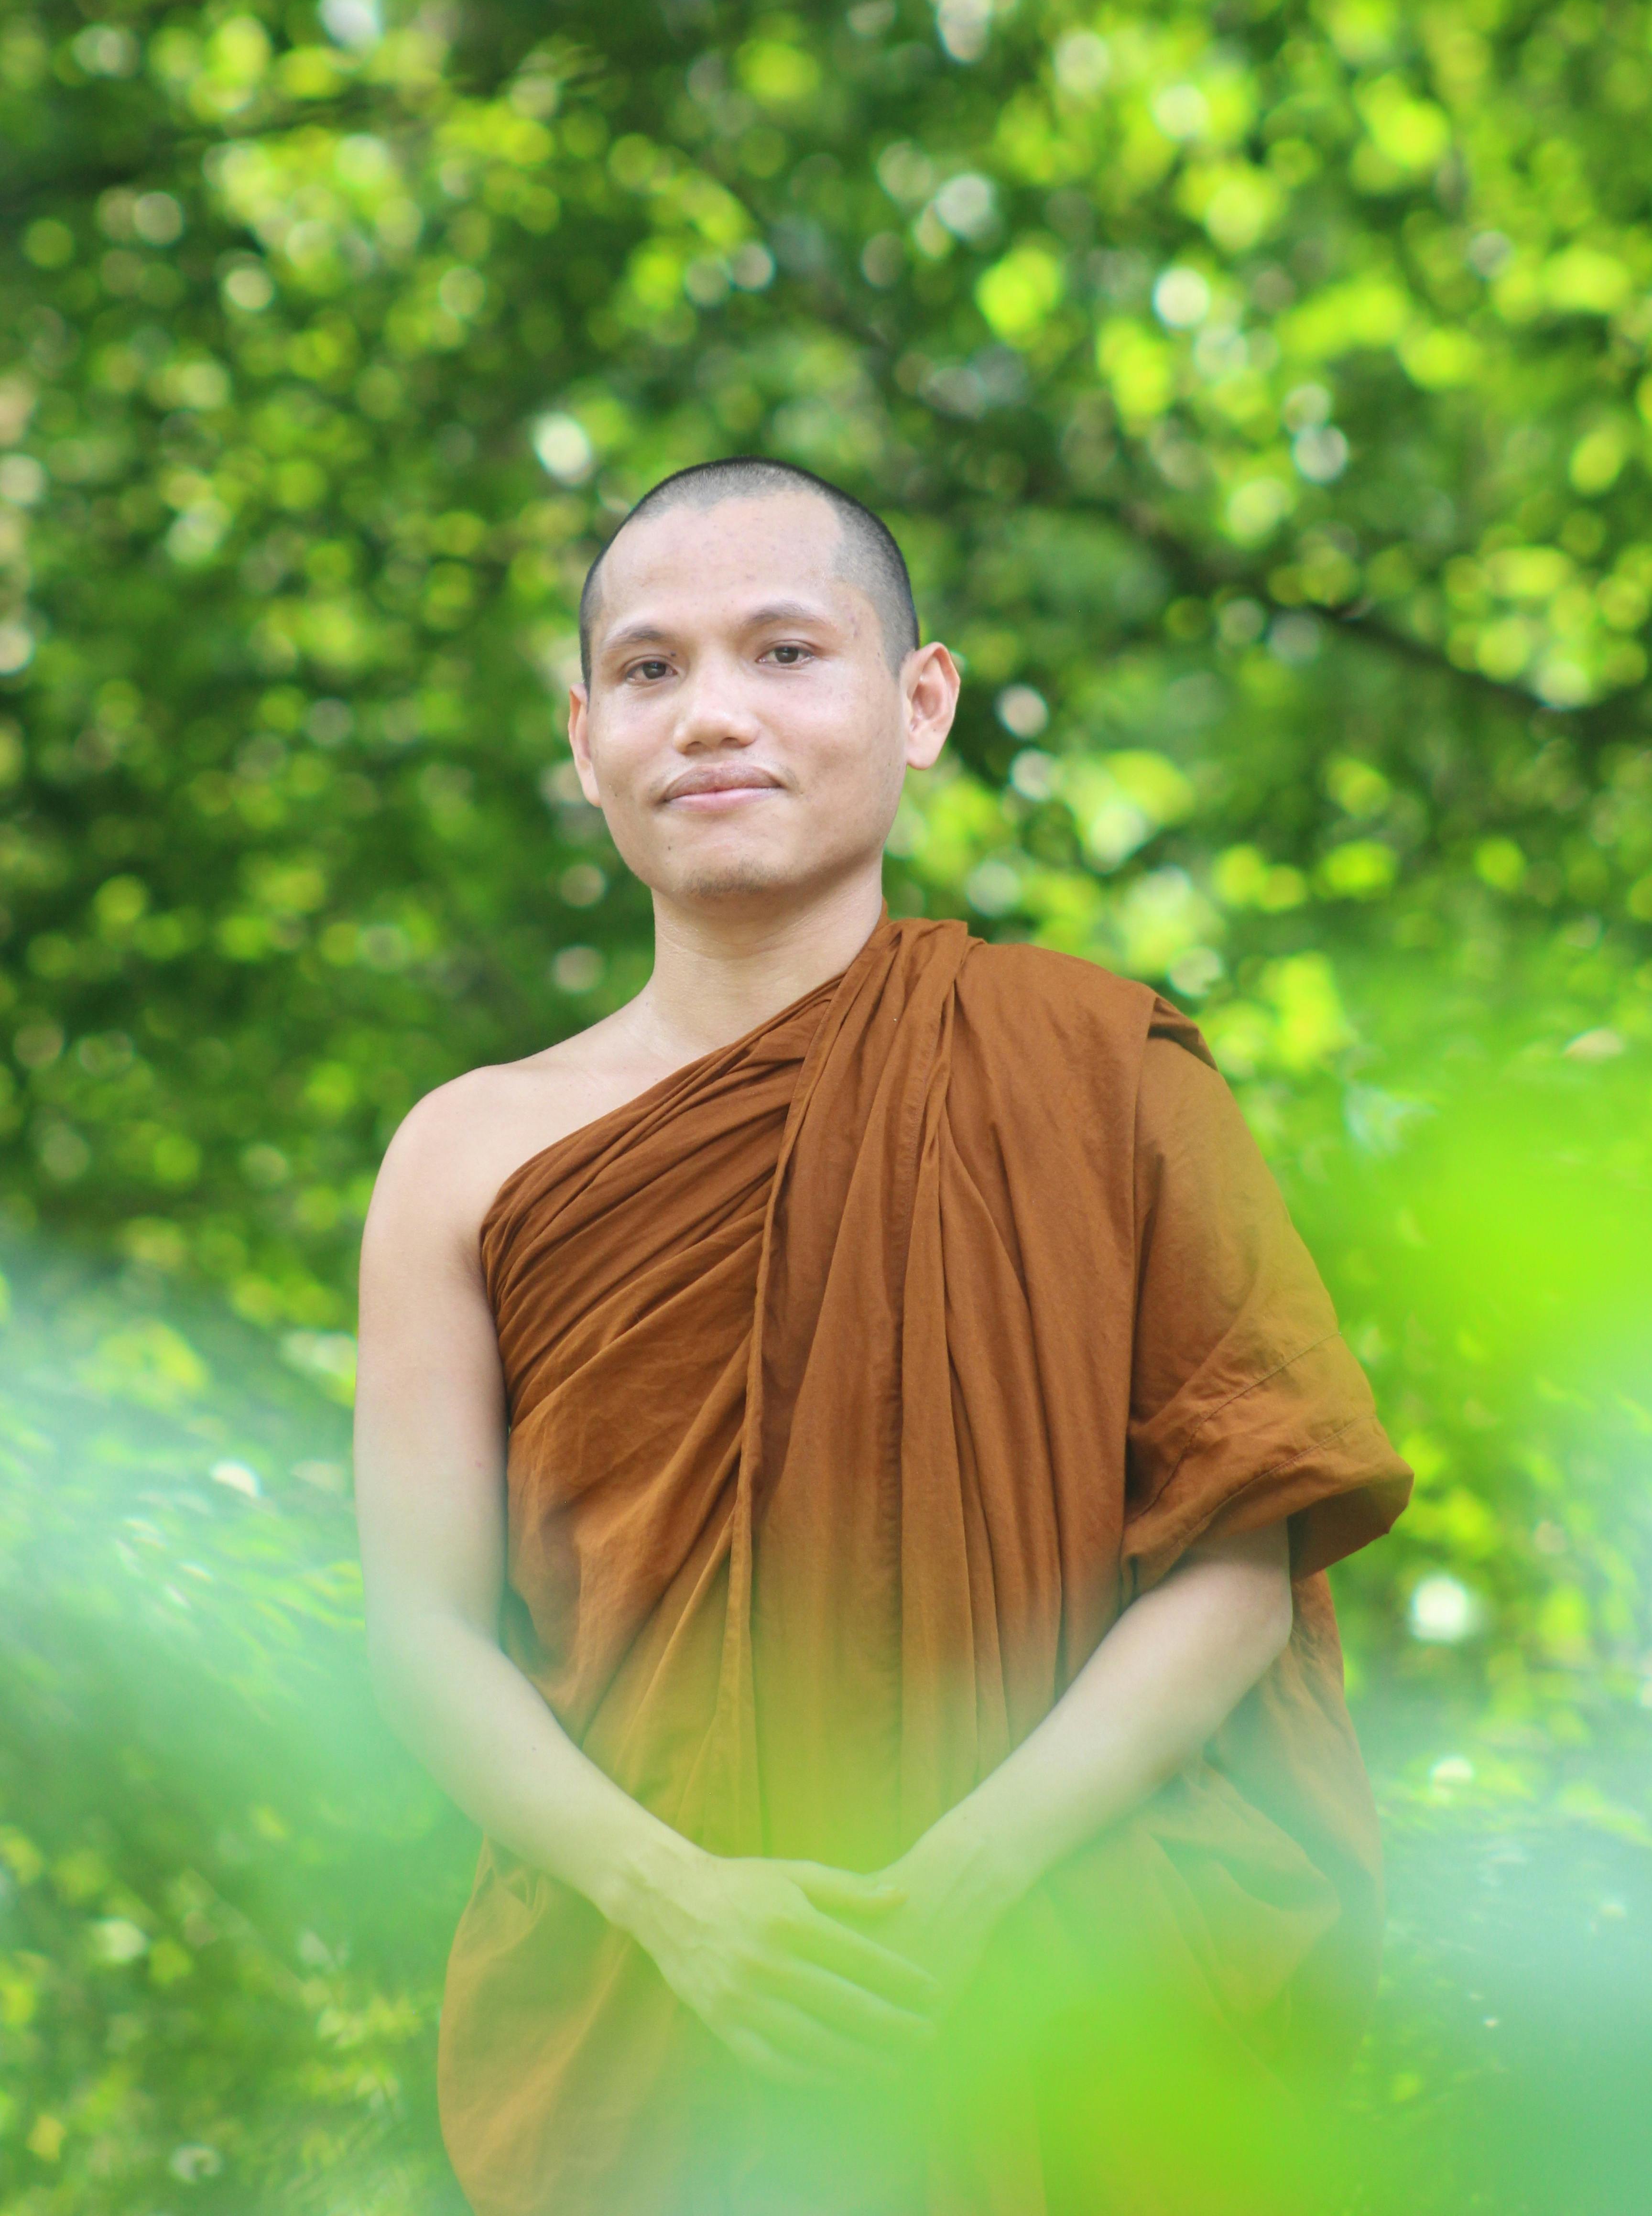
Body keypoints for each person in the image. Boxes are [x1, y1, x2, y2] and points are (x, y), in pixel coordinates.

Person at [354, 457, 1412, 2216]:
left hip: (1067, 1973)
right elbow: (425, 1635)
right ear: (583, 735)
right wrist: (683, 1905)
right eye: (649, 670)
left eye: (785, 653)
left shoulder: (1093, 1067)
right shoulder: (468, 1151)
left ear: (918, 704)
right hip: (648, 2006)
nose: (712, 718)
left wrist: (956, 1889)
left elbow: (1246, 1530)